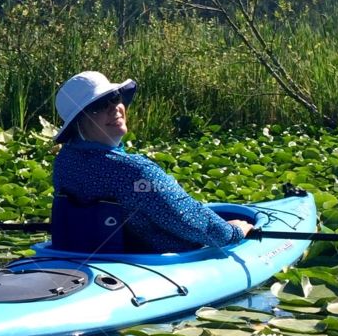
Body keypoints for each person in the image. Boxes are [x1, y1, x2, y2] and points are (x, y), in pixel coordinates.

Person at [53, 71, 254, 253]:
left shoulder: (64, 161)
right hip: (146, 263)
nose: (114, 108)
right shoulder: (135, 171)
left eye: (114, 98)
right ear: (79, 122)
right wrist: (233, 231)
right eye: (98, 106)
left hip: (87, 254)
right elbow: (188, 220)